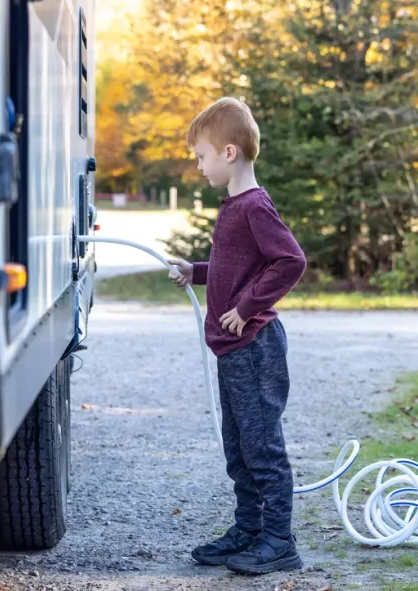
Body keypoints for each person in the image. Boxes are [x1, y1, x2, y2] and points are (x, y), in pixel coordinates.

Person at [168, 97, 307, 575]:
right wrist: (196, 270)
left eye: (201, 155)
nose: (199, 165)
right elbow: (236, 266)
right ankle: (248, 530)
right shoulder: (234, 207)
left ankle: (279, 541)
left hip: (255, 349)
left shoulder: (254, 206)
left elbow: (291, 260)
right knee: (239, 447)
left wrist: (247, 307)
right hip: (233, 352)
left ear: (229, 153)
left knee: (262, 446)